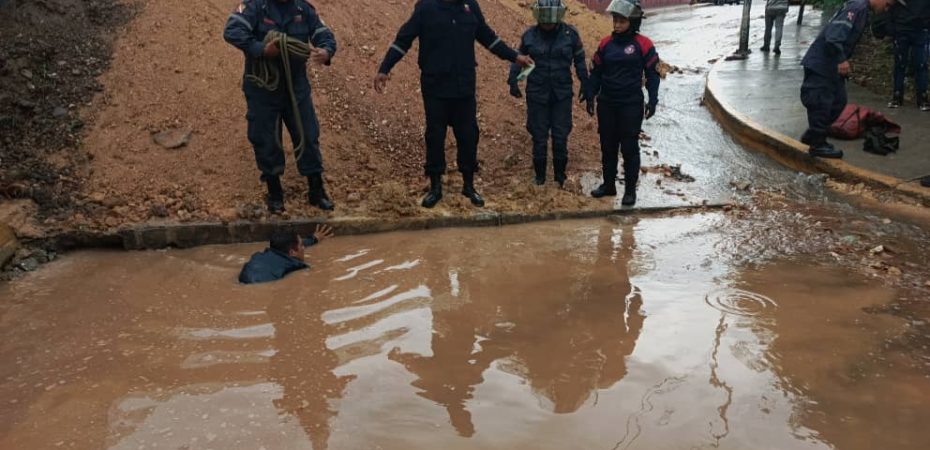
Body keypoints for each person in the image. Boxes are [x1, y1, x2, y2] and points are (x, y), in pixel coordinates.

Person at [374, 0, 534, 209]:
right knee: (435, 136)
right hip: (435, 87)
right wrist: (385, 68)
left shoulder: (470, 7)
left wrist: (515, 57)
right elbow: (403, 39)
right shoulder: (426, 8)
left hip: (464, 87)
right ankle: (435, 187)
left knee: (468, 135)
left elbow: (488, 38)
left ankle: (468, 185)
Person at [223, 0, 337, 213]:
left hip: (296, 86)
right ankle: (275, 192)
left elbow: (323, 33)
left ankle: (316, 190)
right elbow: (232, 30)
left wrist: (326, 50)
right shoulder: (254, 7)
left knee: (308, 134)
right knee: (266, 138)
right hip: (263, 87)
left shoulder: (303, 9)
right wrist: (261, 49)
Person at [800, 0, 901, 159]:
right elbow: (833, 36)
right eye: (887, 4)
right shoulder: (857, 8)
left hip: (831, 66)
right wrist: (841, 59)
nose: (886, 9)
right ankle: (817, 144)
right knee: (821, 103)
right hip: (823, 63)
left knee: (839, 101)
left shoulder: (864, 10)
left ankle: (814, 134)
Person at [508, 0, 590, 187]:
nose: (547, 23)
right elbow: (518, 59)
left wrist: (585, 83)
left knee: (560, 137)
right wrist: (513, 80)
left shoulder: (571, 35)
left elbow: (579, 61)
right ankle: (540, 179)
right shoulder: (529, 36)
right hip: (537, 94)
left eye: (550, 18)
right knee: (539, 137)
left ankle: (560, 178)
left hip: (561, 94)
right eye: (544, 18)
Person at [587, 0, 660, 206]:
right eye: (615, 20)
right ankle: (608, 185)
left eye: (621, 21)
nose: (616, 24)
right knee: (607, 146)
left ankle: (629, 191)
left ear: (633, 21)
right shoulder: (605, 44)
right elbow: (596, 72)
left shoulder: (643, 44)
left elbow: (653, 75)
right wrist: (590, 94)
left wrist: (653, 100)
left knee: (629, 147)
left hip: (630, 103)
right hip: (607, 102)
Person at [238, 224, 334, 284]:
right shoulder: (296, 266)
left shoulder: (262, 255)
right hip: (260, 285)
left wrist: (314, 239)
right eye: (301, 245)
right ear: (292, 252)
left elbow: (293, 248)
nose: (304, 248)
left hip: (243, 280)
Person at [886, 0, 929, 110]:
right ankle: (897, 95)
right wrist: (891, 28)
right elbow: (889, 7)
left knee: (921, 64)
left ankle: (922, 98)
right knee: (900, 64)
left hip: (921, 31)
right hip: (901, 30)